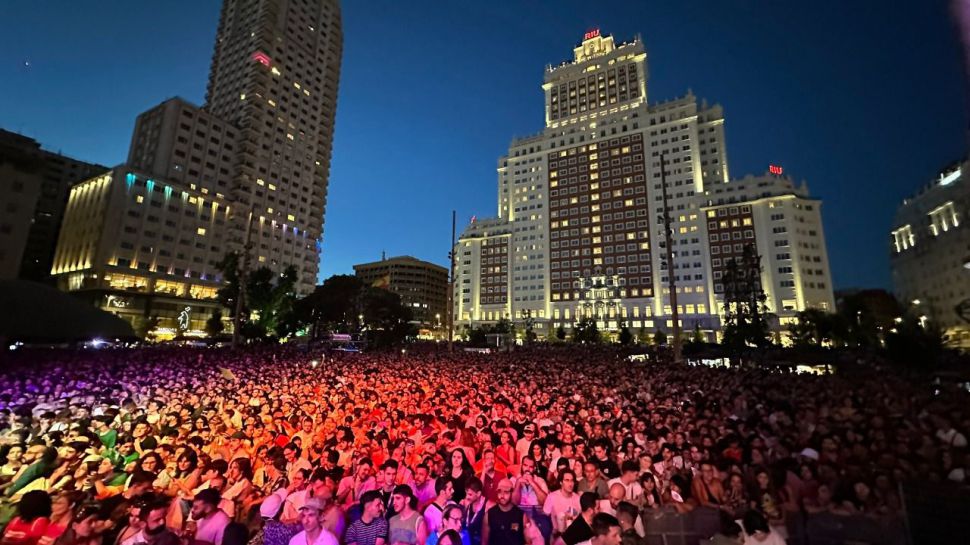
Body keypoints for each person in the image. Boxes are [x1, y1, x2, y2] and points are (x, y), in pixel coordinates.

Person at [481, 479, 528, 545]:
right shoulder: (489, 515)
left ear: (512, 493)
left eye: (506, 492)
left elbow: (528, 542)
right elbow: (484, 542)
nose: (502, 496)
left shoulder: (521, 515)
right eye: (499, 492)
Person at [543, 469, 581, 545]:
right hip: (557, 536)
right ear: (561, 482)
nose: (570, 483)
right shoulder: (552, 497)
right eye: (567, 480)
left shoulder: (578, 499)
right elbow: (544, 518)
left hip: (574, 538)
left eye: (572, 480)